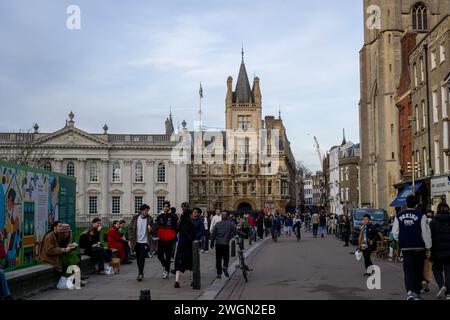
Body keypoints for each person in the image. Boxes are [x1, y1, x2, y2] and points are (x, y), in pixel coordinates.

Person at [392, 195, 432, 300]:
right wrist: (428, 247)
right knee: (418, 270)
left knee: (408, 270)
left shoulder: (399, 215)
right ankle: (417, 293)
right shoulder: (421, 216)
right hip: (419, 247)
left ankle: (409, 292)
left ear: (406, 203)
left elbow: (394, 233)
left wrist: (401, 239)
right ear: (416, 204)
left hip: (406, 247)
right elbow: (425, 233)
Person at [430, 202, 450, 300]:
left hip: (437, 251)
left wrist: (429, 250)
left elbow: (429, 237)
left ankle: (442, 285)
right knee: (448, 271)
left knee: (436, 269)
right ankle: (448, 293)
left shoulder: (433, 222)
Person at [128, 204, 154, 282]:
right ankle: (140, 272)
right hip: (136, 241)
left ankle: (140, 273)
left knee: (142, 258)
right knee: (138, 258)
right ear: (142, 211)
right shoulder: (135, 218)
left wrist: (151, 230)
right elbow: (130, 228)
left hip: (145, 242)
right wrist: (130, 238)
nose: (147, 212)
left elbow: (153, 231)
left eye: (147, 210)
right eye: (146, 210)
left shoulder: (150, 219)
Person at [210, 211, 238, 278]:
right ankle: (225, 266)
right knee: (226, 257)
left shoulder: (217, 224)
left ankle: (219, 273)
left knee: (218, 258)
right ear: (227, 217)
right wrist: (243, 234)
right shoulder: (230, 224)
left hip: (218, 243)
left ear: (221, 217)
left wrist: (211, 243)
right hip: (225, 243)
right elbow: (236, 231)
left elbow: (213, 235)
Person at [174, 203, 196, 288]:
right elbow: (194, 235)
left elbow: (177, 230)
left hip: (181, 244)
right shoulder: (191, 223)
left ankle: (177, 281)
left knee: (179, 262)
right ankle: (192, 281)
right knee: (190, 263)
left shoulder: (180, 222)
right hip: (189, 245)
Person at [155, 201, 178, 279]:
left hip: (169, 239)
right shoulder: (159, 217)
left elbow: (176, 228)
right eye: (165, 206)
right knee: (159, 254)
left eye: (167, 207)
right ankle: (165, 265)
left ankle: (167, 271)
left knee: (168, 256)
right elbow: (157, 226)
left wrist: (173, 235)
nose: (166, 208)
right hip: (161, 239)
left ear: (169, 208)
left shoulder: (173, 217)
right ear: (163, 208)